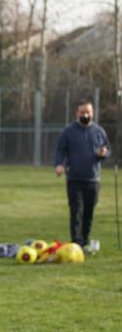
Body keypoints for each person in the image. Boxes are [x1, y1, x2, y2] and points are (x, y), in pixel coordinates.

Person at [54, 99, 110, 252]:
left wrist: (103, 154)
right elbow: (60, 150)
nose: (85, 115)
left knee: (89, 212)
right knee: (76, 211)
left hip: (93, 179)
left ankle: (84, 241)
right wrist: (59, 164)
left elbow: (106, 150)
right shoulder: (68, 131)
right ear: (77, 113)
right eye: (82, 112)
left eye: (88, 112)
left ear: (92, 113)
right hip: (74, 179)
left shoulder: (99, 131)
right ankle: (76, 243)